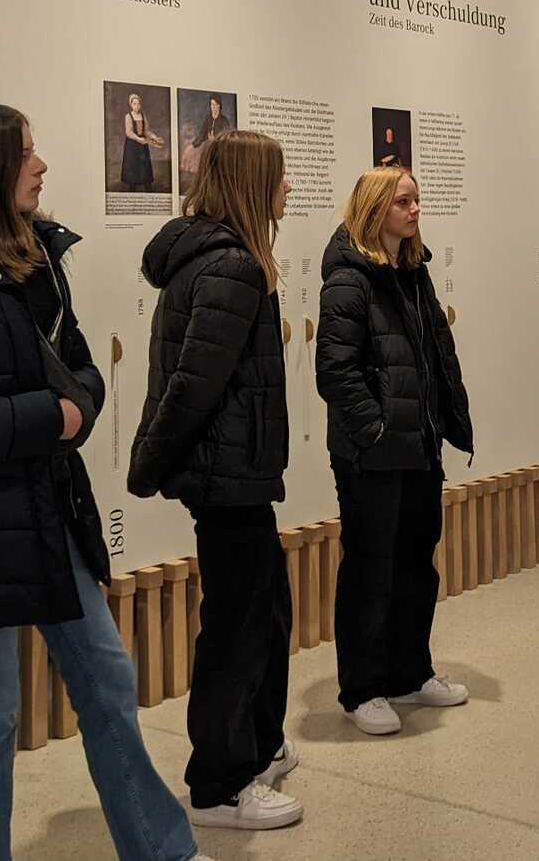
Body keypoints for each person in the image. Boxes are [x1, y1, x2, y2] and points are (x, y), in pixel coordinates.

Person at [0, 102, 200, 860]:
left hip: (49, 509)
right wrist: (50, 417)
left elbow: (82, 366)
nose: (42, 164)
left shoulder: (39, 259)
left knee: (108, 681)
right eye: (26, 152)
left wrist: (78, 408)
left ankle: (161, 849)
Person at [132, 130, 303, 830]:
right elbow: (194, 384)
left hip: (238, 473)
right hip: (226, 475)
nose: (288, 188)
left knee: (265, 612)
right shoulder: (231, 266)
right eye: (279, 177)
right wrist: (151, 461)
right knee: (237, 628)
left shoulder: (225, 259)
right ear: (252, 185)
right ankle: (219, 785)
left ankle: (258, 746)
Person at [317, 166, 475, 735]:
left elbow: (434, 355)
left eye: (416, 200)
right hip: (373, 454)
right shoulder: (348, 278)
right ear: (374, 208)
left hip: (419, 445)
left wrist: (442, 420)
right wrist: (377, 431)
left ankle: (410, 671)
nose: (414, 210)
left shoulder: (412, 270)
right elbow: (336, 372)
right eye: (403, 202)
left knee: (415, 564)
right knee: (370, 570)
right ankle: (362, 689)